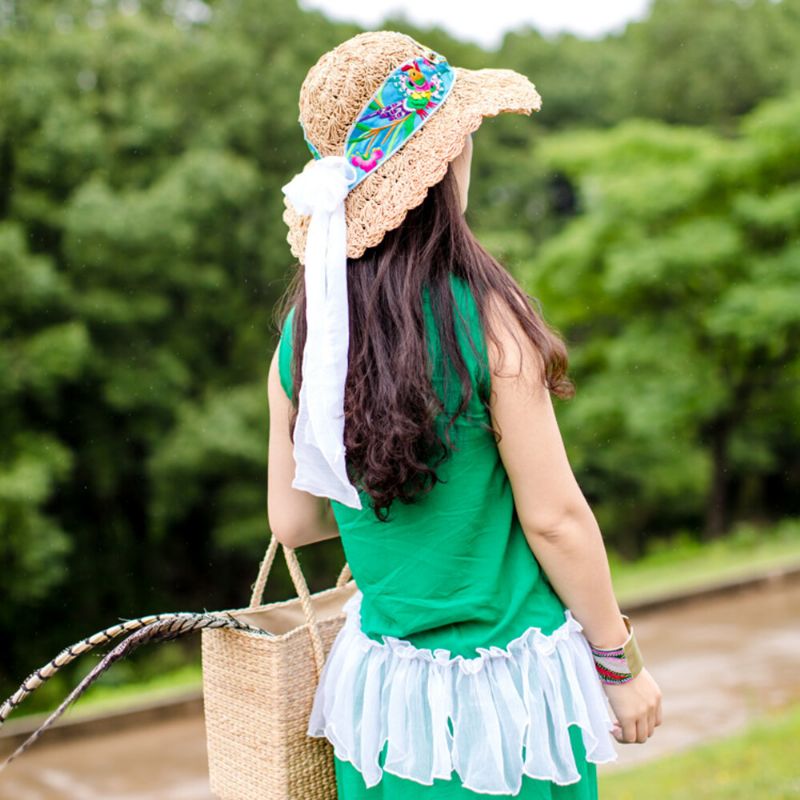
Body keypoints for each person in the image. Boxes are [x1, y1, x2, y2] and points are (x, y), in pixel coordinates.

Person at [267, 30, 663, 799]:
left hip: (383, 706)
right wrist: (620, 663)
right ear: (441, 160)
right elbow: (554, 518)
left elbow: (295, 521)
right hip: (509, 697)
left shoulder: (303, 331)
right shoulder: (486, 317)